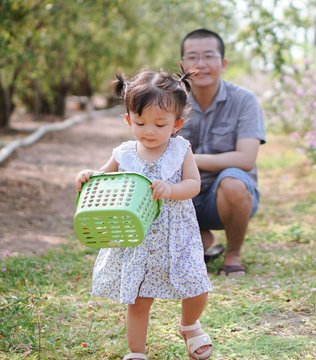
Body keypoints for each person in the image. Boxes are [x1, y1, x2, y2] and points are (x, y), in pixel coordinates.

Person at [74, 69, 213, 360]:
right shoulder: (124, 152)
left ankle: (189, 325)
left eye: (159, 124)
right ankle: (136, 352)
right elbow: (102, 176)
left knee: (197, 287)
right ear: (128, 120)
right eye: (140, 122)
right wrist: (89, 175)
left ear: (177, 124)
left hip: (177, 236)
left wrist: (172, 189)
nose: (149, 131)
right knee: (138, 299)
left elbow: (194, 185)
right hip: (137, 238)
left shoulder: (180, 149)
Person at [179, 28, 266, 277]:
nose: (201, 64)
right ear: (182, 64)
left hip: (223, 199)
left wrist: (189, 159)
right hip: (179, 197)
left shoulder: (244, 101)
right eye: (192, 57)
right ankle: (202, 240)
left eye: (209, 56)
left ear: (223, 63)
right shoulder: (168, 100)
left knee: (233, 181)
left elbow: (246, 159)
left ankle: (233, 254)